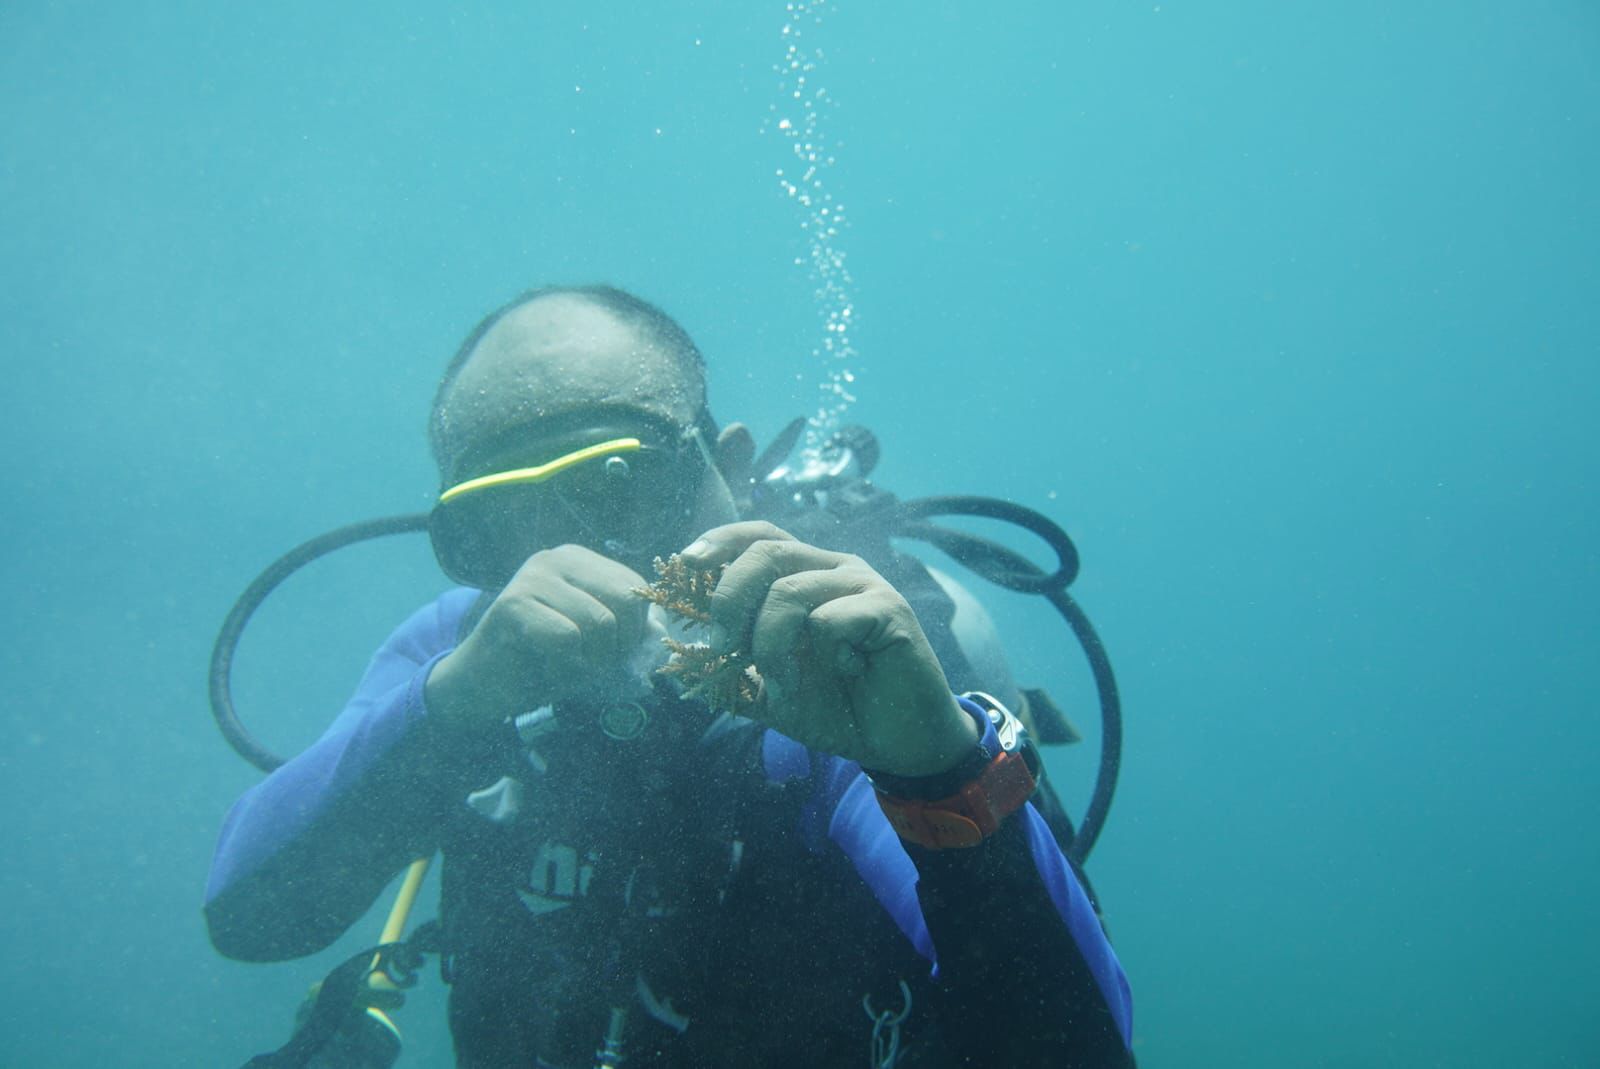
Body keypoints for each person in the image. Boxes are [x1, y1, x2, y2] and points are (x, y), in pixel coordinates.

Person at [205, 285, 1135, 1068]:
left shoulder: (832, 672)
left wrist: (934, 768)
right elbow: (252, 917)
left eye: (615, 480)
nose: (560, 550)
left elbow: (1076, 1048)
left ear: (724, 464)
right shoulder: (454, 654)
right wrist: (450, 707)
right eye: (495, 521)